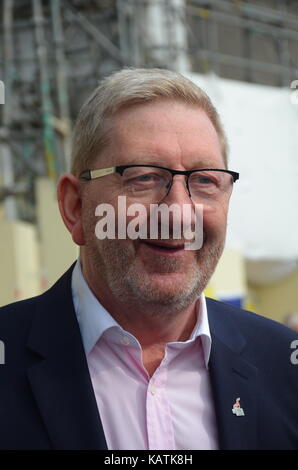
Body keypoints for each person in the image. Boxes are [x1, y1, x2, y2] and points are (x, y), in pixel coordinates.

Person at [0, 68, 297, 450]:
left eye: (204, 180)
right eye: (143, 177)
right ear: (75, 208)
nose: (178, 212)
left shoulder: (283, 368)